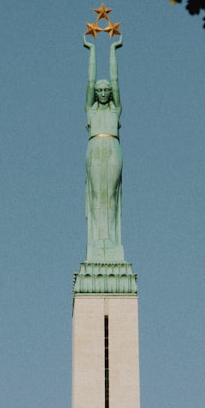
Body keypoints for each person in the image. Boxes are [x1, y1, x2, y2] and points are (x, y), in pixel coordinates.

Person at [83, 33, 124, 262]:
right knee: (97, 195)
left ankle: (111, 241)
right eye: (99, 90)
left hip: (112, 147)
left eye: (105, 89)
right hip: (95, 147)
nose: (102, 92)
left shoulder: (115, 111)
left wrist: (113, 50)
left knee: (112, 196)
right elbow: (89, 82)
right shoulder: (91, 111)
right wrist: (91, 50)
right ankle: (98, 241)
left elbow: (116, 81)